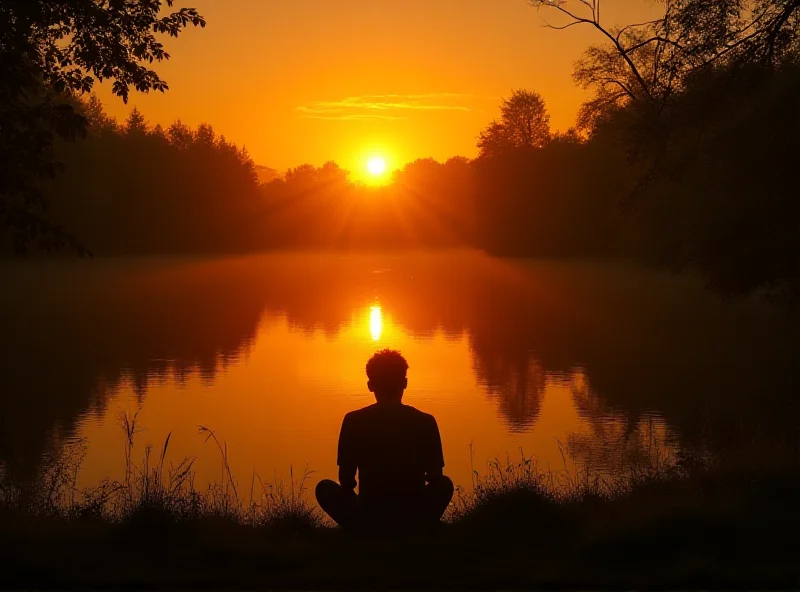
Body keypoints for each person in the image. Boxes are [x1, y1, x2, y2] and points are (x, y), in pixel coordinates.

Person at [315, 349, 454, 534]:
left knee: (324, 488)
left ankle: (363, 530)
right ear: (404, 383)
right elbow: (436, 476)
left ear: (370, 385)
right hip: (413, 515)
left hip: (369, 516)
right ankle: (420, 527)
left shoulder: (353, 421)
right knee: (445, 484)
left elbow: (346, 481)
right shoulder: (425, 421)